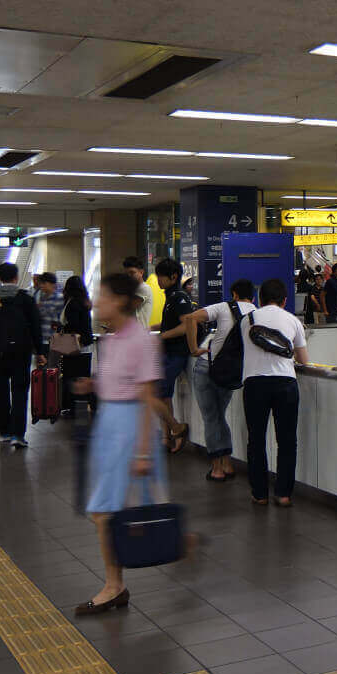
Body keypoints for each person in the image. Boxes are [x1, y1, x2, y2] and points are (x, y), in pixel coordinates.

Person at [74, 273, 175, 615]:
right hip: (109, 427)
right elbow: (120, 386)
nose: (96, 303)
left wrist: (144, 452)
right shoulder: (113, 339)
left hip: (129, 431)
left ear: (118, 301)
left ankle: (114, 585)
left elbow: (148, 399)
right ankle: (117, 581)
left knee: (105, 511)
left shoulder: (140, 341)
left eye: (101, 296)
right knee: (107, 510)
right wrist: (93, 386)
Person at [242, 277, 309, 506]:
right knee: (287, 440)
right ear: (285, 300)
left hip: (254, 383)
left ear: (260, 300)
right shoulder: (293, 320)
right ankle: (283, 494)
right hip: (285, 383)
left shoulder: (247, 320)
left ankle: (260, 494)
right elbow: (304, 360)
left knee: (256, 439)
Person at [185, 278, 252, 483]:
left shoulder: (223, 308)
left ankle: (216, 468)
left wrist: (194, 349)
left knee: (211, 417)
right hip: (231, 372)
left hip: (208, 366)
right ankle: (227, 462)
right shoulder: (256, 314)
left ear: (234, 294)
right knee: (219, 416)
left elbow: (190, 319)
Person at [0, 263, 42, 449]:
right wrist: (40, 352)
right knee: (20, 391)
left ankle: (4, 431)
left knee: (1, 389)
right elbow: (35, 327)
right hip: (21, 351)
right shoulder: (25, 299)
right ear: (16, 277)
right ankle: (18, 435)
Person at [152, 258, 195, 451]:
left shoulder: (180, 297)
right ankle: (167, 435)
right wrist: (150, 329)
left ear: (173, 276)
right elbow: (169, 323)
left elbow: (187, 325)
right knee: (164, 394)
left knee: (159, 391)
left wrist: (162, 336)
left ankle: (177, 429)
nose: (158, 279)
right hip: (167, 351)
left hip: (177, 352)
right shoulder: (171, 297)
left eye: (161, 276)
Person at [55, 274, 94, 417]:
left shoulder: (73, 303)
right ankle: (81, 408)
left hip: (74, 346)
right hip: (85, 347)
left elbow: (73, 325)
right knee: (82, 378)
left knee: (72, 377)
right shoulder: (83, 301)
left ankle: (75, 409)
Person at [32, 271, 66, 356]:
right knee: (40, 367)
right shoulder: (40, 297)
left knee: (53, 367)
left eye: (44, 283)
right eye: (41, 283)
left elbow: (61, 319)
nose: (42, 286)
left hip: (54, 339)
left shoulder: (60, 298)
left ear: (52, 284)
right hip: (40, 338)